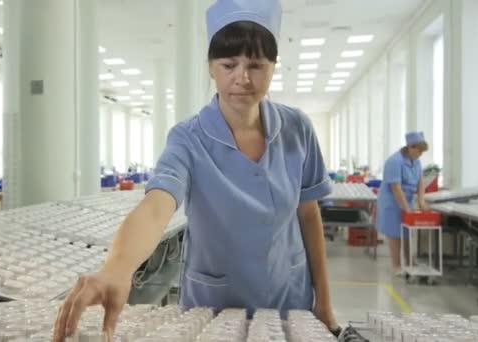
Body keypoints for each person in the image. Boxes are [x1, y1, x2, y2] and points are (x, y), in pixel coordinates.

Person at [53, 0, 339, 340]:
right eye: (229, 64)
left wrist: (324, 301)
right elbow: (158, 205)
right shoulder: (188, 139)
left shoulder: (297, 129)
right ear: (211, 68)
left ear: (274, 67)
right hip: (213, 311)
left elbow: (308, 214)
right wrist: (117, 269)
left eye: (256, 65)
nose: (242, 79)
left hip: (288, 300)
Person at [377, 131, 429, 276]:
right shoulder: (394, 161)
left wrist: (421, 201)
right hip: (392, 202)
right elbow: (396, 187)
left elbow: (420, 182)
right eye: (419, 151)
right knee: (395, 234)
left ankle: (410, 261)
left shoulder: (416, 161)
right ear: (411, 147)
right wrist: (406, 208)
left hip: (407, 200)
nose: (420, 155)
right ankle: (396, 266)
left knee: (407, 232)